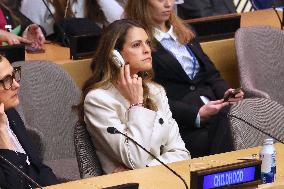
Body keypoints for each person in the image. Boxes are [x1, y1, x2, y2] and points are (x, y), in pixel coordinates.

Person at [125, 0, 244, 157]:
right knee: (233, 136)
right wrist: (196, 114)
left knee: (248, 122)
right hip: (182, 125)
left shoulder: (185, 31)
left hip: (216, 110)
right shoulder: (140, 46)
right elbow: (149, 94)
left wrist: (227, 95)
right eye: (160, 0)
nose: (168, 4)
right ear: (142, 4)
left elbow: (212, 75)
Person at [78, 19, 190, 174]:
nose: (147, 50)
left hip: (163, 179)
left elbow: (182, 153)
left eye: (147, 43)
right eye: (137, 45)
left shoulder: (155, 91)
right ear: (114, 55)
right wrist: (136, 105)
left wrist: (148, 167)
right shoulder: (98, 100)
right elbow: (135, 159)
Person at [0, 55, 58, 188]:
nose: (16, 85)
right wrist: (2, 133)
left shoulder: (10, 113)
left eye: (14, 75)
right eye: (7, 80)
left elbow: (38, 168)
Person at [20, 0, 124, 37]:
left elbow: (122, 24)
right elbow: (26, 30)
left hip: (90, 61)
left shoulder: (93, 3)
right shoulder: (38, 2)